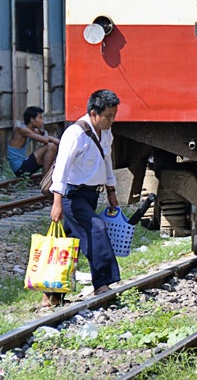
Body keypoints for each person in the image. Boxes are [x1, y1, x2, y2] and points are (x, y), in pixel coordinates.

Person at [47, 89, 122, 308]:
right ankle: (102, 283)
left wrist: (111, 191)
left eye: (114, 115)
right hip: (72, 195)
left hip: (90, 194)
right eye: (108, 116)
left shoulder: (105, 133)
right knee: (96, 229)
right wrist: (57, 202)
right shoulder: (75, 134)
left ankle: (50, 295)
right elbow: (61, 168)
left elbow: (106, 162)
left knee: (67, 243)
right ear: (93, 113)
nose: (112, 120)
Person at [7, 106, 59, 178]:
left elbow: (48, 137)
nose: (42, 121)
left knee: (54, 148)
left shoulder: (32, 130)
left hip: (24, 165)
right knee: (51, 146)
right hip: (20, 168)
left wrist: (63, 144)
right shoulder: (21, 129)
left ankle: (50, 179)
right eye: (40, 118)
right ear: (32, 119)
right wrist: (47, 135)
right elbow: (46, 140)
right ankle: (45, 181)